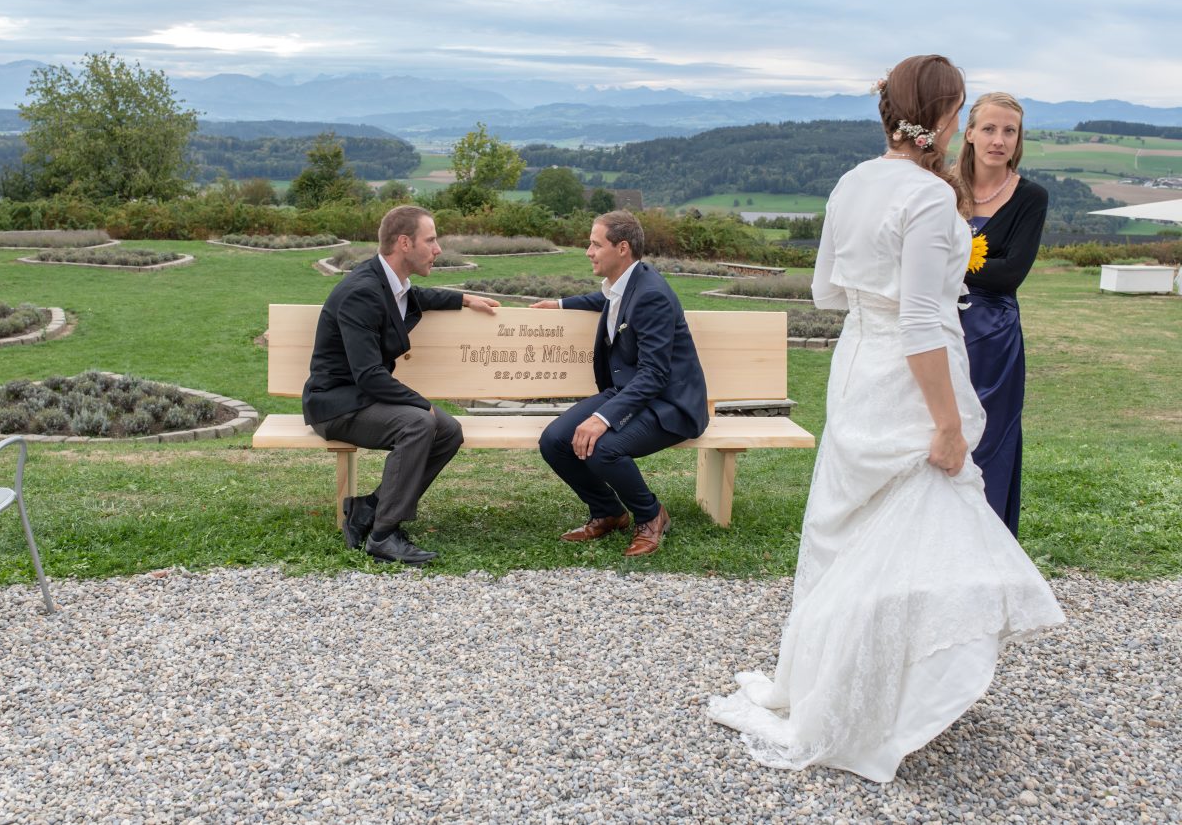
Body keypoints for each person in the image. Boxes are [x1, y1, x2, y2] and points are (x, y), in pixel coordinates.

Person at [708, 56, 1064, 782]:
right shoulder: (931, 198)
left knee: (847, 531)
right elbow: (923, 323)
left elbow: (826, 292)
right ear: (943, 117)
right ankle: (882, 698)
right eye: (960, 111)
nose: (963, 124)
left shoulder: (852, 182)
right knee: (921, 526)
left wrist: (876, 303)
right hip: (908, 380)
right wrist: (948, 424)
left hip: (857, 367)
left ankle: (842, 681)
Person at [302, 205, 499, 565]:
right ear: (405, 243)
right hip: (335, 405)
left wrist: (464, 298)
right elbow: (368, 375)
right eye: (431, 240)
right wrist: (422, 403)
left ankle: (368, 509)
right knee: (419, 422)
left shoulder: (388, 282)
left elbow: (416, 297)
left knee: (449, 431)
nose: (438, 248)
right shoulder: (361, 292)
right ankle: (383, 536)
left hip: (360, 399)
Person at [528, 211, 708, 557]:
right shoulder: (625, 285)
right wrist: (560, 304)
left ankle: (651, 515)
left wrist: (603, 418)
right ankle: (608, 511)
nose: (588, 252)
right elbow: (606, 301)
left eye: (596, 244)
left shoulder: (652, 295)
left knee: (602, 446)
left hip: (671, 404)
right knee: (554, 441)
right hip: (631, 392)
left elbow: (655, 374)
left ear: (622, 248)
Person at [955, 92, 1048, 536]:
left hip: (992, 337)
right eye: (989, 129)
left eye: (1009, 131)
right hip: (935, 325)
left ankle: (987, 543)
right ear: (970, 133)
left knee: (988, 439)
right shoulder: (942, 188)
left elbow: (1010, 273)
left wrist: (943, 261)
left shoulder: (1030, 197)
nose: (999, 140)